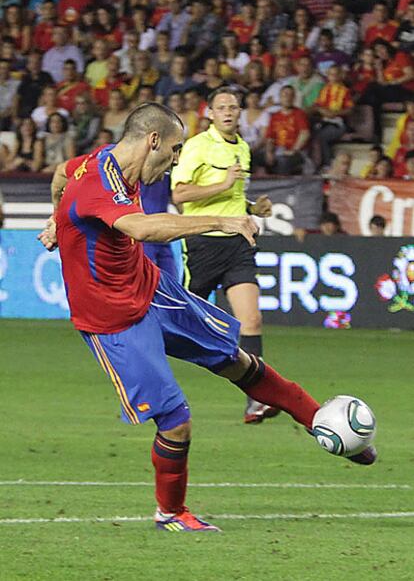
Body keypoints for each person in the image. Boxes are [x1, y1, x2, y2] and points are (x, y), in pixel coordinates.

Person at [39, 102, 375, 533]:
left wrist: (56, 217)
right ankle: (170, 513)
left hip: (152, 289)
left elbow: (61, 174)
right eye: (175, 150)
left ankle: (321, 422)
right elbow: (141, 228)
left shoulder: (102, 160)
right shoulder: (99, 186)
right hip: (112, 318)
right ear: (153, 141)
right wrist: (224, 220)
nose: (176, 160)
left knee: (239, 361)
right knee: (176, 421)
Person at [170, 86, 279, 424]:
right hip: (202, 242)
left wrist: (251, 207)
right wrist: (222, 184)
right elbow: (179, 194)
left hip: (237, 243)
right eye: (222, 107)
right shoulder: (197, 146)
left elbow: (232, 198)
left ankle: (256, 401)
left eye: (234, 106)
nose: (229, 112)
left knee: (252, 320)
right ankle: (139, 384)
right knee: (176, 324)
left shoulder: (243, 148)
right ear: (210, 113)